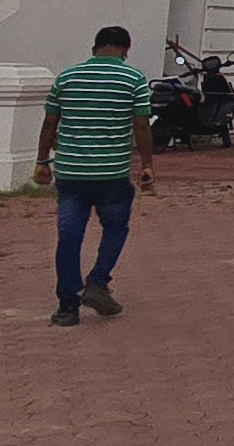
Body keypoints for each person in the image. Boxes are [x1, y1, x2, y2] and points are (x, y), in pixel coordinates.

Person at [37, 24, 155, 325]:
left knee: (69, 237)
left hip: (71, 172)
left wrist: (42, 161)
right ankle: (98, 280)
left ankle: (67, 306)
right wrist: (147, 165)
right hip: (112, 173)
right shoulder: (134, 78)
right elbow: (141, 125)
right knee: (116, 228)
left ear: (94, 48)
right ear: (126, 50)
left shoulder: (66, 77)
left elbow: (50, 122)